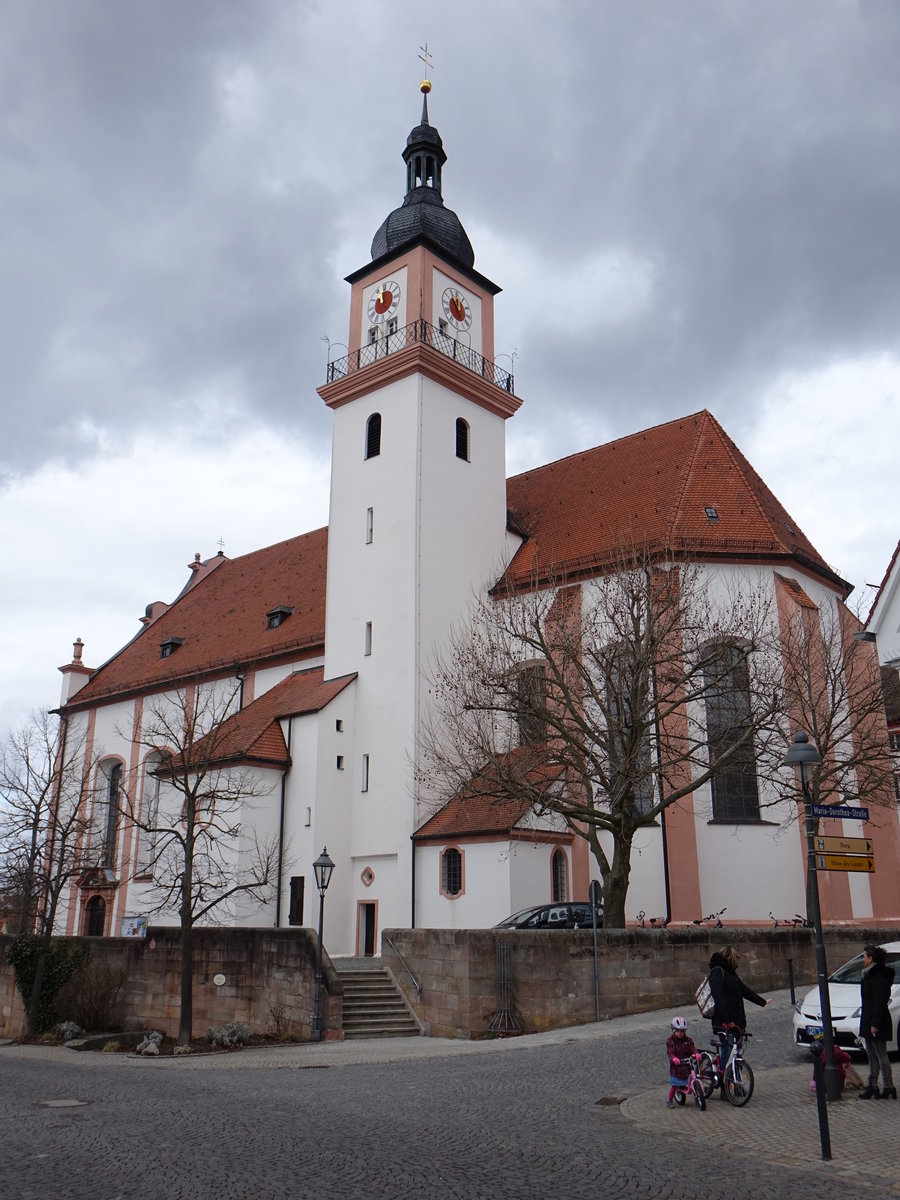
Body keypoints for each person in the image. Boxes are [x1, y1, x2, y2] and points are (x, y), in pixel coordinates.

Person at [707, 946, 768, 1086]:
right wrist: (728, 1020)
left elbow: (744, 990)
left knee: (737, 1051)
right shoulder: (718, 972)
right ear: (731, 957)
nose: (738, 961)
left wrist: (762, 1002)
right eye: (737, 958)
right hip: (724, 1022)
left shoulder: (731, 973)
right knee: (727, 1050)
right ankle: (722, 1082)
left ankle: (734, 1081)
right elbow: (719, 998)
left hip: (738, 1021)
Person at [858, 943, 896, 1100]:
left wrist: (875, 1024)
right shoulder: (868, 974)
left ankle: (889, 1086)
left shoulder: (878, 977)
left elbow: (879, 1003)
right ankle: (872, 1085)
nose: (862, 959)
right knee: (871, 1054)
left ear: (871, 959)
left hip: (876, 1020)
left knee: (881, 1054)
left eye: (864, 956)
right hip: (868, 1019)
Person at [665, 1015, 697, 1107]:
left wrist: (696, 1053)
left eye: (682, 1031)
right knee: (675, 1085)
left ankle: (697, 1096)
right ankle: (669, 1100)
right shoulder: (670, 1041)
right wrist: (674, 1058)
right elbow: (670, 1052)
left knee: (692, 1080)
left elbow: (692, 1049)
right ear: (674, 1031)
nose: (680, 1033)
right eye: (678, 1031)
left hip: (687, 1065)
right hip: (677, 1067)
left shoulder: (688, 1040)